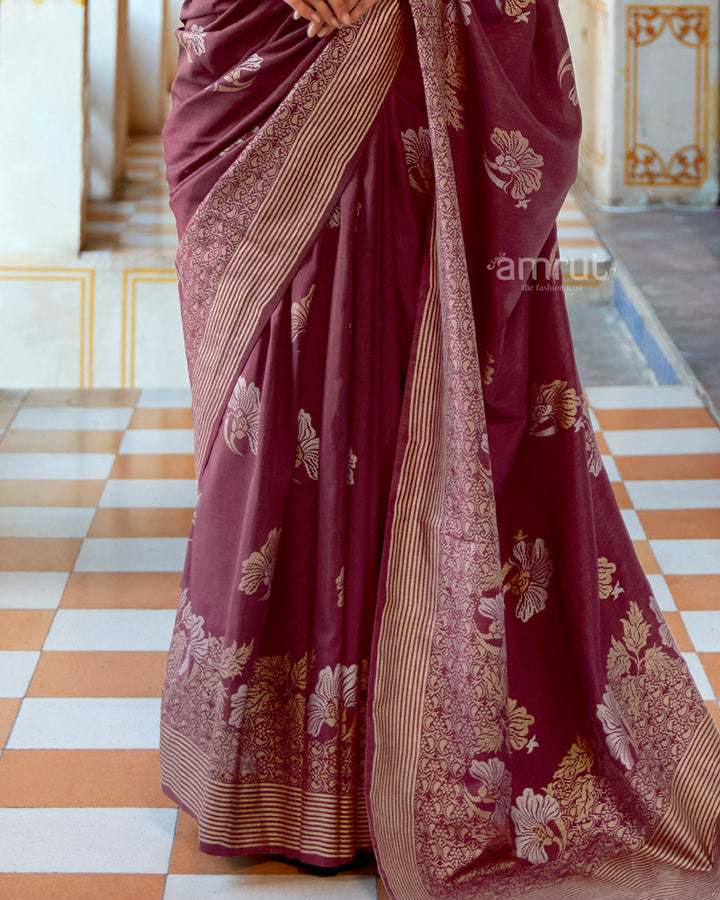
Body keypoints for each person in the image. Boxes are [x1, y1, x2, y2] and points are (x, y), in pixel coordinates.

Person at [160, 1, 720, 897]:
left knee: (378, 353)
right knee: (279, 377)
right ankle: (284, 760)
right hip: (265, 40)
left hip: (407, 56)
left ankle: (391, 754)